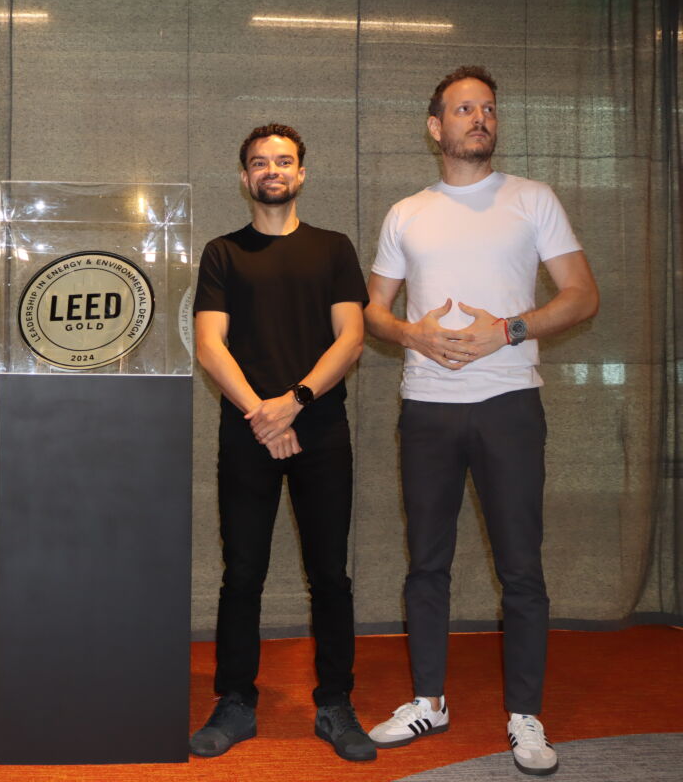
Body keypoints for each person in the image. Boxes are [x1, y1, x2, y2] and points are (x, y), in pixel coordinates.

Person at [364, 66, 599, 777]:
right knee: (426, 564)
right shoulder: (407, 213)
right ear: (435, 127)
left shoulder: (533, 199)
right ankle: (428, 700)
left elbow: (581, 296)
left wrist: (510, 330)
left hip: (509, 404)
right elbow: (374, 311)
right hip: (427, 407)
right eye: (464, 109)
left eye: (488, 108)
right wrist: (412, 333)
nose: (479, 118)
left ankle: (525, 714)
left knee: (521, 567)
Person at [189, 123, 375, 762]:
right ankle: (236, 700)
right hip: (248, 433)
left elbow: (351, 338)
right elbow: (209, 344)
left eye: (284, 161)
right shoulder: (222, 253)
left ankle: (336, 702)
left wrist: (292, 403)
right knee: (243, 573)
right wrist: (261, 416)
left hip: (320, 429)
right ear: (245, 177)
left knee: (330, 575)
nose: (273, 170)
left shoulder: (333, 248)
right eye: (260, 162)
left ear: (302, 173)